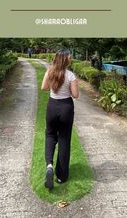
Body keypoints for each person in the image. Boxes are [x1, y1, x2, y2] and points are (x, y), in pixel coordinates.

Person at [41, 49, 79, 189]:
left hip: (52, 106)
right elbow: (75, 95)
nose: (71, 59)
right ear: (65, 59)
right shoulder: (71, 75)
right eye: (70, 57)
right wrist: (69, 88)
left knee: (50, 135)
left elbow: (44, 88)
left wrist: (54, 85)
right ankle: (61, 177)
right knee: (64, 140)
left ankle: (49, 165)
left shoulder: (50, 71)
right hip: (66, 109)